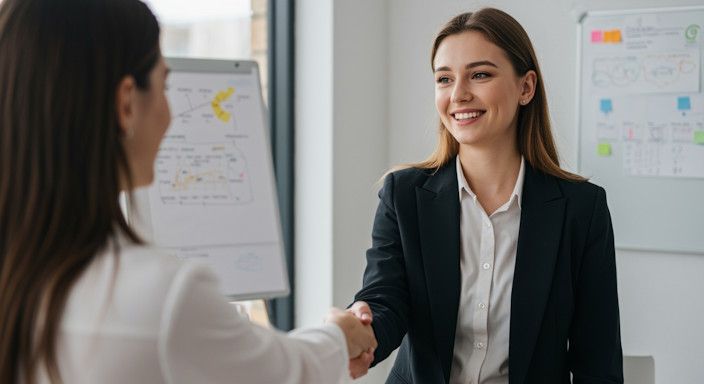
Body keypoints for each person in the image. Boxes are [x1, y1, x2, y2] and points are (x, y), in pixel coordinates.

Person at [0, 0, 376, 383]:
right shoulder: (164, 298)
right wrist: (339, 335)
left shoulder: (24, 272)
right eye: (165, 86)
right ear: (126, 103)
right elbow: (284, 373)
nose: (170, 114)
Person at [348, 8, 623, 384]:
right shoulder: (404, 195)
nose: (458, 94)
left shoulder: (580, 209)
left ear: (526, 87)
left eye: (479, 75)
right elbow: (385, 301)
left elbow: (598, 359)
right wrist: (360, 328)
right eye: (444, 79)